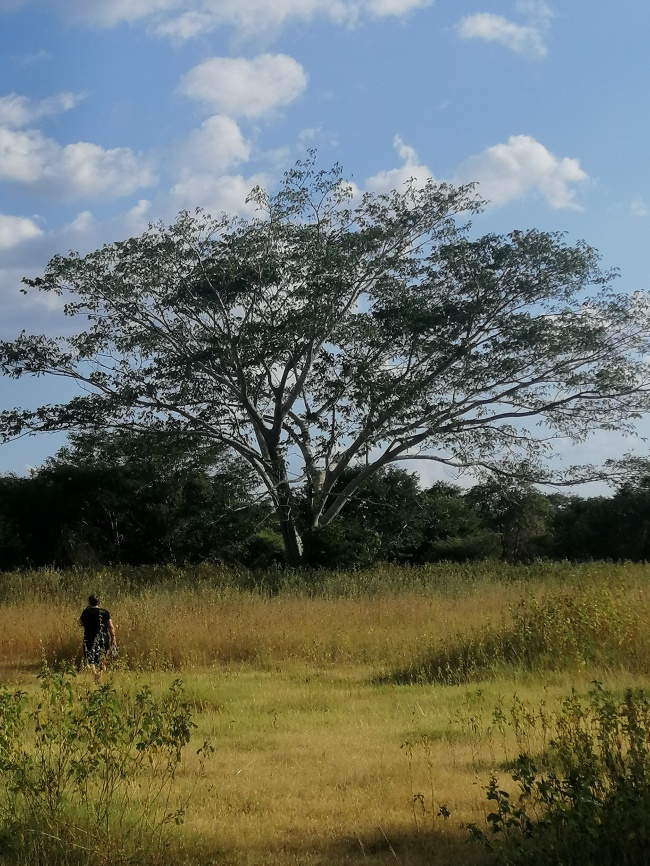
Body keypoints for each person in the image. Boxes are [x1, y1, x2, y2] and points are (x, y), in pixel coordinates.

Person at [79, 594, 117, 679]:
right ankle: (100, 673)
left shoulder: (86, 612)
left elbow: (80, 623)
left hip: (89, 639)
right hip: (104, 639)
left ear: (89, 602)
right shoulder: (105, 612)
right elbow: (110, 626)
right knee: (102, 658)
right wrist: (113, 637)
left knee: (89, 659)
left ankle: (95, 674)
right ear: (98, 602)